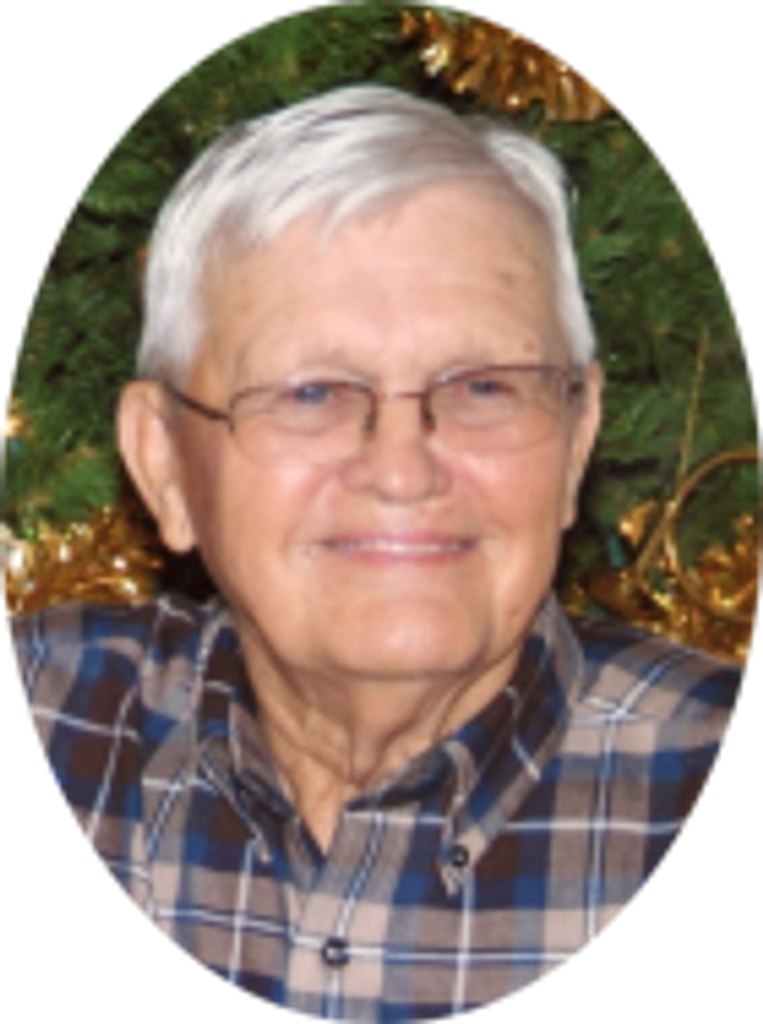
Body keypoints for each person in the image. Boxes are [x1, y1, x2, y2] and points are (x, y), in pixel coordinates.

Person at [7, 84, 745, 1016]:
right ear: (165, 465)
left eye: (483, 387)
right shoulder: (53, 723)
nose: (402, 472)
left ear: (575, 441)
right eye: (312, 393)